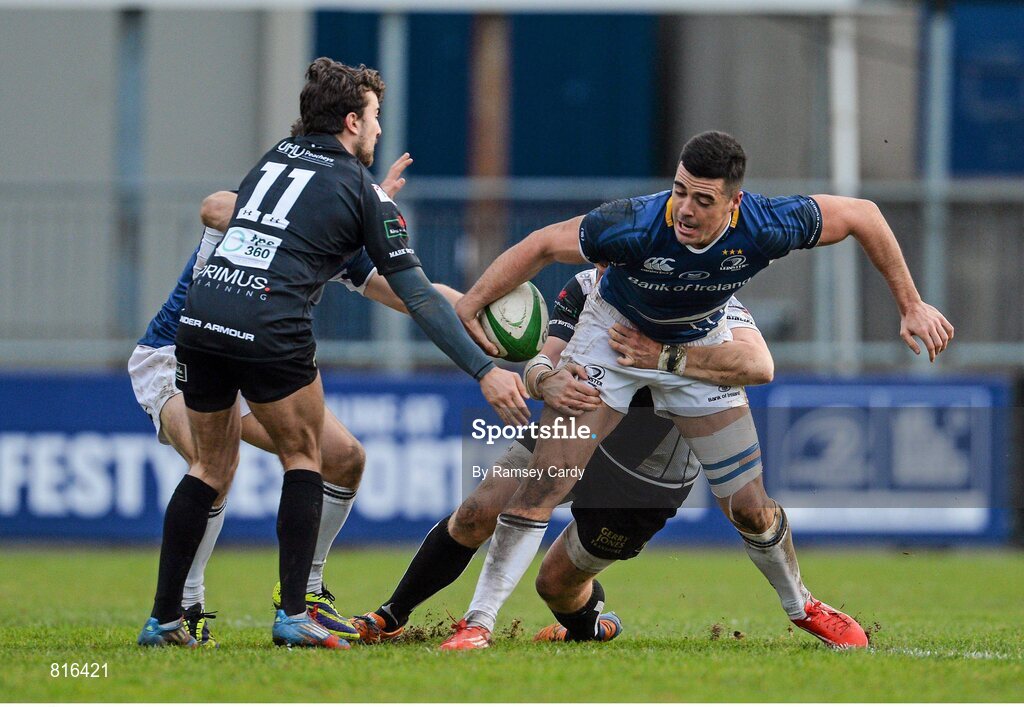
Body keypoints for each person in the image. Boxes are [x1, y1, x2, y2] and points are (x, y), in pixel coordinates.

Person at [450, 130, 954, 650]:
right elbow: (540, 245)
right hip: (613, 341)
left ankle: (802, 606)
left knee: (750, 508)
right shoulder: (637, 221)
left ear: (734, 203)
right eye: (679, 190)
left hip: (695, 346)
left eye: (702, 199)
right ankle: (477, 624)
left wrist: (911, 304)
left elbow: (863, 215)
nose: (684, 209)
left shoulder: (767, 223)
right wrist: (470, 305)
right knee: (543, 483)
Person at [137, 57, 526, 650]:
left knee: (211, 469)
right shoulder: (355, 192)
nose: (377, 130)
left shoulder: (275, 159)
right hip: (259, 328)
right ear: (351, 120)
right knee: (304, 454)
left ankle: (164, 619)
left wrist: (465, 301)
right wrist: (484, 372)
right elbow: (418, 295)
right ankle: (293, 612)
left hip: (204, 319)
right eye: (374, 119)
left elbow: (272, 222)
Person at [349, 268, 774, 649]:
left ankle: (590, 626)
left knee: (555, 585)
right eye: (604, 259)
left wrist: (669, 358)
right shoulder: (586, 287)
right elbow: (542, 360)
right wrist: (542, 379)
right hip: (574, 428)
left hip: (645, 476)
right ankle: (392, 616)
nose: (606, 271)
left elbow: (757, 363)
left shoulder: (707, 303)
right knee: (476, 511)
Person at [129, 150, 425, 647]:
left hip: (247, 353)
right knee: (214, 466)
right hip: (175, 350)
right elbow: (213, 206)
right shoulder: (276, 207)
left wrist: (476, 307)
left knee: (344, 459)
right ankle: (184, 607)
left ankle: (306, 596)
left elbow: (411, 293)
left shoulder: (335, 235)